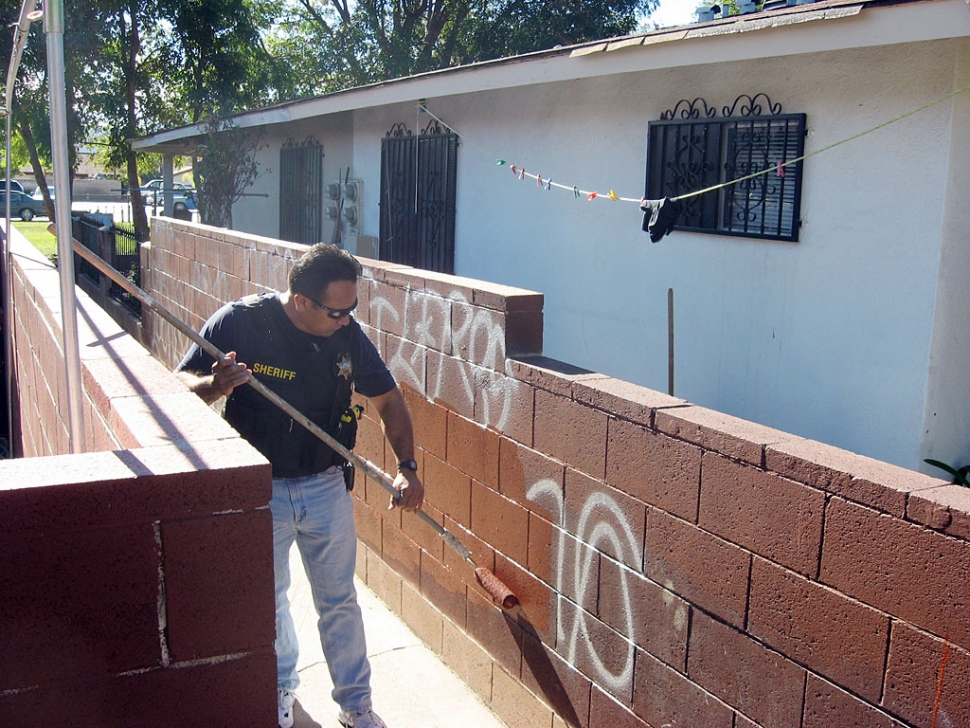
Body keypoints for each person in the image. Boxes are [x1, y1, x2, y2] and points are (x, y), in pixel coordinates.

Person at [176, 243, 424, 728]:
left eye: (353, 310)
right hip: (257, 491)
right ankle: (280, 690)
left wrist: (408, 467)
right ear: (301, 300)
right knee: (270, 600)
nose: (347, 320)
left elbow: (390, 402)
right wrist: (214, 386)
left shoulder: (348, 337)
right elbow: (177, 384)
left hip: (325, 485)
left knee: (340, 602)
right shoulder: (240, 322)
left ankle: (356, 707)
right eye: (337, 311)